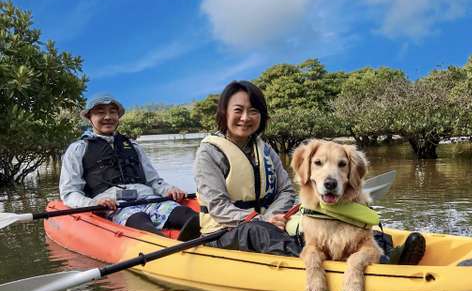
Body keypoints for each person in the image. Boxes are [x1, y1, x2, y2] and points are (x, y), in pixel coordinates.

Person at [59, 94, 199, 239]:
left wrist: (168, 189)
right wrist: (93, 203)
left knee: (186, 214)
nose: (108, 117)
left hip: (148, 198)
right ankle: (166, 248)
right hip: (114, 206)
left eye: (113, 112)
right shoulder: (78, 149)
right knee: (139, 220)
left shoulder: (133, 146)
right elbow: (69, 192)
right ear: (89, 118)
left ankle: (206, 238)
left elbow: (153, 180)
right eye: (100, 112)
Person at [193, 80, 300, 256]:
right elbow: (219, 207)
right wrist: (263, 221)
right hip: (223, 232)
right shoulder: (209, 152)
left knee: (308, 218)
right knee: (258, 231)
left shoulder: (264, 149)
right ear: (224, 112)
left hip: (268, 222)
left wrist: (272, 217)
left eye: (253, 111)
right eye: (238, 110)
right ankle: (309, 268)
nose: (245, 118)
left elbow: (286, 191)